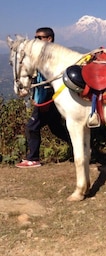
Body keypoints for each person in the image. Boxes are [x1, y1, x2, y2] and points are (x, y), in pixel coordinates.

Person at [16, 27, 71, 168]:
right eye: (35, 38)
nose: (36, 41)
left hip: (48, 98)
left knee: (32, 127)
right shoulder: (42, 56)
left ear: (49, 39)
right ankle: (84, 148)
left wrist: (42, 101)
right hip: (47, 98)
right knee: (56, 128)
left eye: (39, 38)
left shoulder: (52, 57)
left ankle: (33, 158)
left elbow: (48, 82)